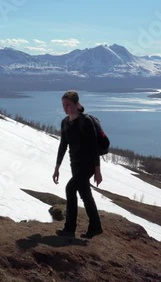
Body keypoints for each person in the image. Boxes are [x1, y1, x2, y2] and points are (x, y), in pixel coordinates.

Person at [52, 90, 103, 239]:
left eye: (68, 104)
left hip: (87, 165)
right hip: (75, 165)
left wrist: (97, 170)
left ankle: (69, 229)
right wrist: (57, 167)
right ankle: (95, 227)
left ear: (76, 104)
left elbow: (94, 146)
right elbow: (63, 146)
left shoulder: (85, 121)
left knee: (70, 188)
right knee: (85, 194)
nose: (65, 108)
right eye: (63, 105)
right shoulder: (65, 122)